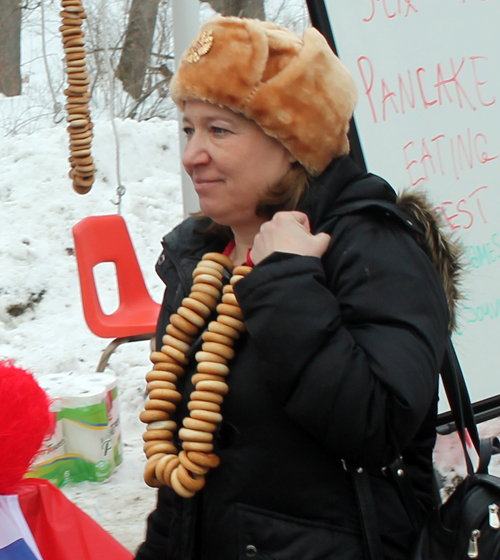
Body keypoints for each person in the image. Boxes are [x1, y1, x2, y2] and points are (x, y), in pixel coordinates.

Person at [135, 16, 460, 560]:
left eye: (219, 130)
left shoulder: (373, 244)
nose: (193, 154)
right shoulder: (202, 259)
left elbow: (378, 426)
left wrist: (287, 278)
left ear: (293, 141)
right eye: (188, 128)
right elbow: (187, 461)